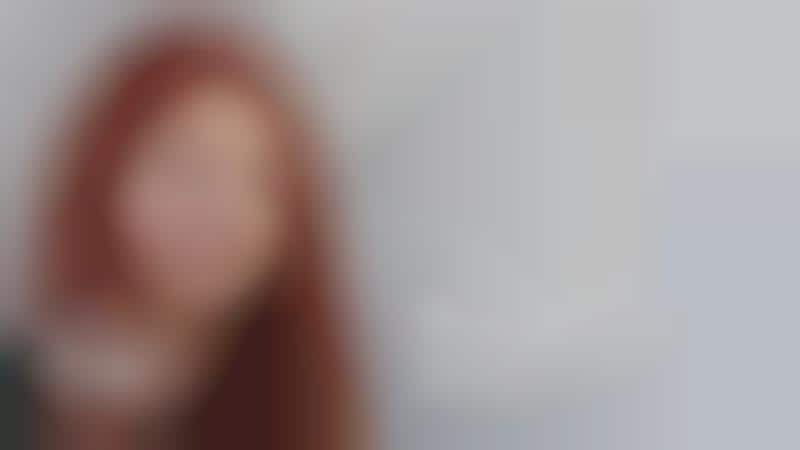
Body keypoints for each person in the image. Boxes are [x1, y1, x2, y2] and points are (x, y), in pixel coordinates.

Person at [3, 25, 362, 450]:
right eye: (187, 169)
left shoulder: (301, 401)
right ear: (107, 173)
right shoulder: (22, 396)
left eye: (258, 181)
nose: (223, 212)